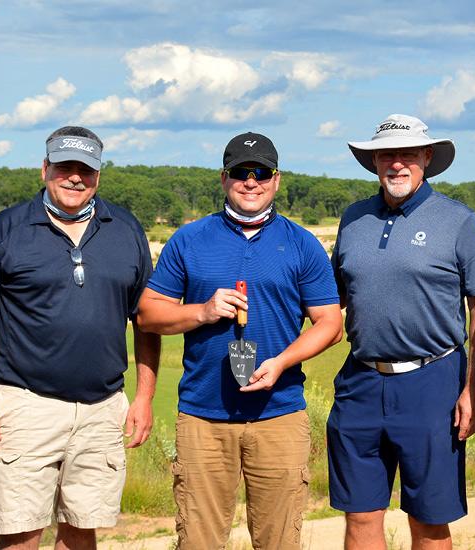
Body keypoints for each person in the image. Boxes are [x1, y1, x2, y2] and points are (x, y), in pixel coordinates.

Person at [0, 126, 160, 549]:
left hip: (102, 409)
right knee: (20, 532)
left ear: (98, 176)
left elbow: (146, 320)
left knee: (82, 528)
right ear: (44, 169)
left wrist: (143, 398)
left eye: (85, 169)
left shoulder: (125, 228)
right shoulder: (5, 229)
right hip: (25, 406)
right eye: (64, 167)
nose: (74, 177)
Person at [136, 132, 343, 549]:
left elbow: (330, 324)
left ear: (277, 179)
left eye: (261, 172)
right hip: (203, 418)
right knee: (198, 542)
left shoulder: (301, 243)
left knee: (279, 542)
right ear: (223, 178)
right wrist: (203, 311)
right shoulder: (190, 240)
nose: (251, 182)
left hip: (279, 416)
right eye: (240, 173)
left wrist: (281, 362)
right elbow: (147, 314)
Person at [328, 114, 475, 549]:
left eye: (407, 154)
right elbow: (333, 299)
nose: (396, 164)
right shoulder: (355, 218)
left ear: (426, 158)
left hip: (433, 381)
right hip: (360, 380)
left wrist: (473, 388)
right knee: (360, 515)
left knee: (429, 519)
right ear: (374, 161)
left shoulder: (458, 221)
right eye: (387, 155)